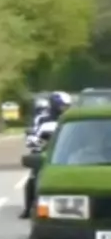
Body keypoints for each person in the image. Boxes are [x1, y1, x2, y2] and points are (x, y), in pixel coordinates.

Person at [20, 91, 72, 219]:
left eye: (67, 106)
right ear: (55, 105)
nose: (65, 109)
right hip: (45, 153)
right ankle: (28, 209)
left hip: (66, 155)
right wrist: (35, 142)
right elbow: (33, 136)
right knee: (33, 178)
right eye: (62, 106)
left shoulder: (69, 120)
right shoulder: (43, 120)